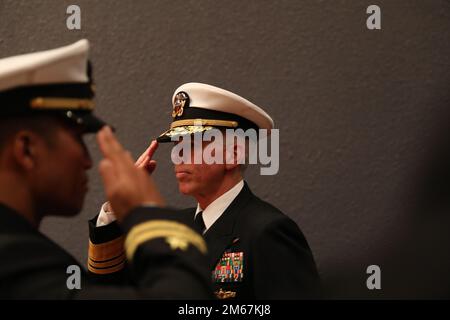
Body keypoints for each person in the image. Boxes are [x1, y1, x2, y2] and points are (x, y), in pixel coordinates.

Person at [0, 40, 211, 299]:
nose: (89, 161)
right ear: (26, 149)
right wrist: (148, 213)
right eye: (79, 138)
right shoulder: (16, 266)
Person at [90, 82, 321, 299]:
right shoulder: (172, 228)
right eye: (177, 144)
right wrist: (116, 210)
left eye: (193, 143)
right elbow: (111, 292)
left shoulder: (267, 231)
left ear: (233, 155)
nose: (178, 156)